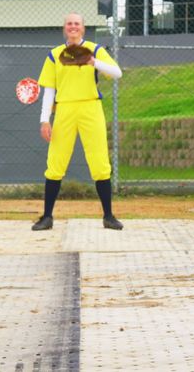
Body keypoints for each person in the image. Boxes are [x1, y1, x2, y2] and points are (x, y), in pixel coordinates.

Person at [32, 12, 124, 231]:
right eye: (69, 24)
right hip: (64, 109)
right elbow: (49, 90)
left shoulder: (95, 50)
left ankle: (108, 216)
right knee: (55, 161)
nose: (73, 27)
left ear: (83, 28)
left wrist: (93, 62)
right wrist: (45, 120)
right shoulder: (55, 55)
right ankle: (47, 217)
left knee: (100, 162)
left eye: (77, 24)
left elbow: (117, 73)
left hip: (90, 107)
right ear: (65, 28)